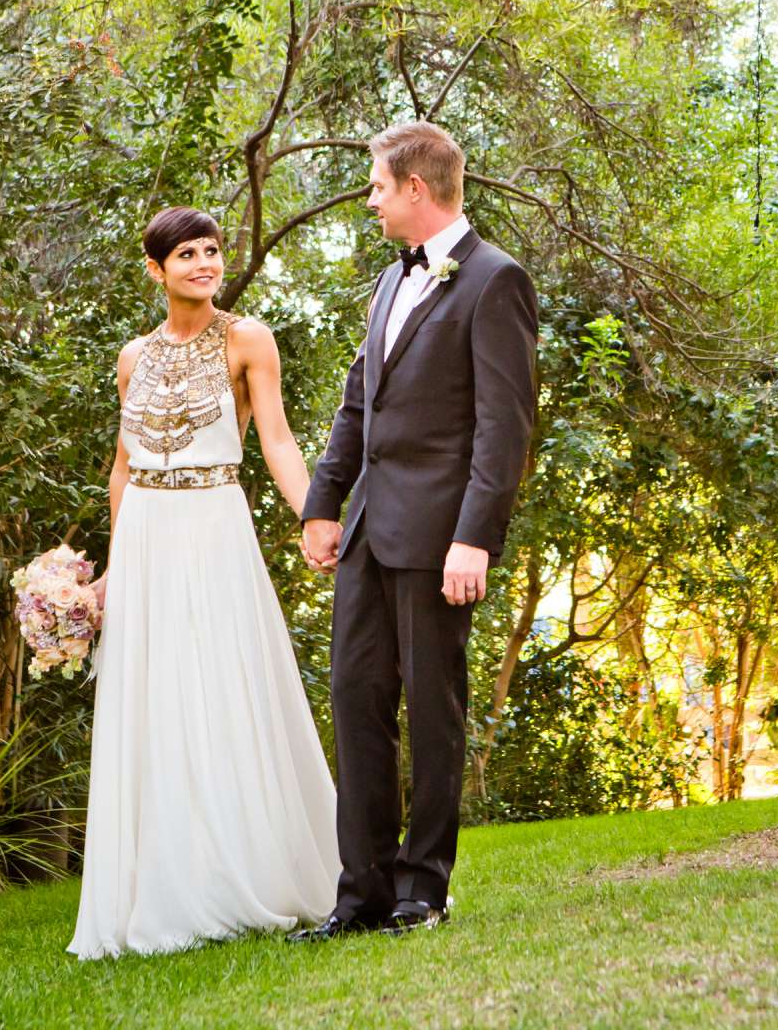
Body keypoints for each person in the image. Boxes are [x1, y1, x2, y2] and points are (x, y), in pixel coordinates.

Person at [290, 120, 539, 940]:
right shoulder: (387, 284)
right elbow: (358, 405)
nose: (370, 200)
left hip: (439, 539)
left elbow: (503, 429)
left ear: (415, 190)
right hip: (367, 530)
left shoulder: (495, 282)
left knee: (433, 712)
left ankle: (420, 890)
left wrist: (475, 536)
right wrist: (322, 506)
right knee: (357, 705)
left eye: (376, 187)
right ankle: (358, 894)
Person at [69, 208, 337, 959]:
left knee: (224, 689)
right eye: (187, 254)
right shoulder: (132, 358)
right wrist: (115, 570)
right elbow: (122, 470)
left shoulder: (248, 339)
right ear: (156, 270)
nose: (205, 264)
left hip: (215, 522)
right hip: (149, 536)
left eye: (213, 251)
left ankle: (247, 873)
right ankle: (165, 887)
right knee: (154, 699)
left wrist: (316, 517)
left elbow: (277, 440)